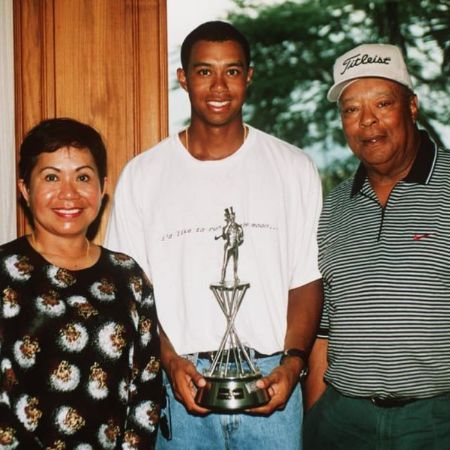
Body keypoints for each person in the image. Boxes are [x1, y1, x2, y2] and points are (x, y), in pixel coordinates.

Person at [106, 21, 323, 450]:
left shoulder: (293, 167)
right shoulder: (144, 176)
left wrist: (293, 364)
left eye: (232, 71)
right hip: (181, 393)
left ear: (250, 75)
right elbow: (129, 291)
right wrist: (168, 361)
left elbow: (306, 280)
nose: (219, 86)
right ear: (183, 77)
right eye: (204, 71)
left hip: (271, 389)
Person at [303, 43, 450, 449]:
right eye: (351, 109)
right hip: (343, 421)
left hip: (435, 421)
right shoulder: (332, 207)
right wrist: (315, 420)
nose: (368, 121)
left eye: (383, 103)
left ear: (412, 106)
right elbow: (324, 331)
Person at [0, 118, 162, 449]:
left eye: (83, 177)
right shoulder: (4, 272)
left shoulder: (128, 276)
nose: (69, 194)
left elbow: (146, 388)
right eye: (51, 177)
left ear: (102, 188)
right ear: (25, 189)